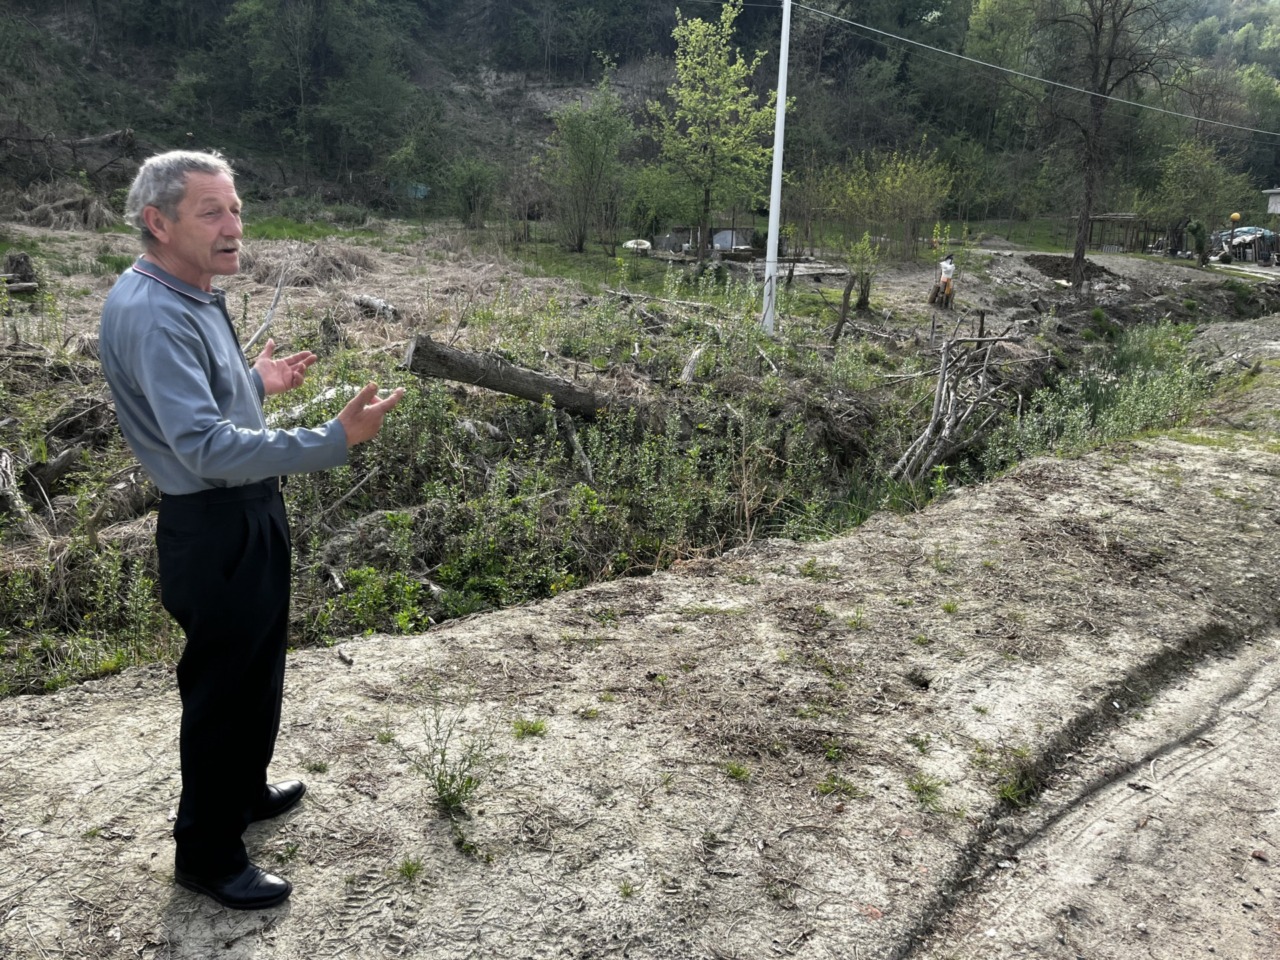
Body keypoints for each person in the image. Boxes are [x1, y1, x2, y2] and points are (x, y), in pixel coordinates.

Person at [99, 150, 404, 910]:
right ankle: (206, 853)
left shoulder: (191, 293)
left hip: (244, 512)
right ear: (157, 222)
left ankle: (242, 790)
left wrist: (252, 381)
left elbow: (202, 402)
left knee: (259, 665)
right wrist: (332, 440)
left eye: (235, 209)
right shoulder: (154, 311)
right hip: (212, 524)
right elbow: (201, 444)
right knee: (221, 693)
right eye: (212, 212)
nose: (233, 227)